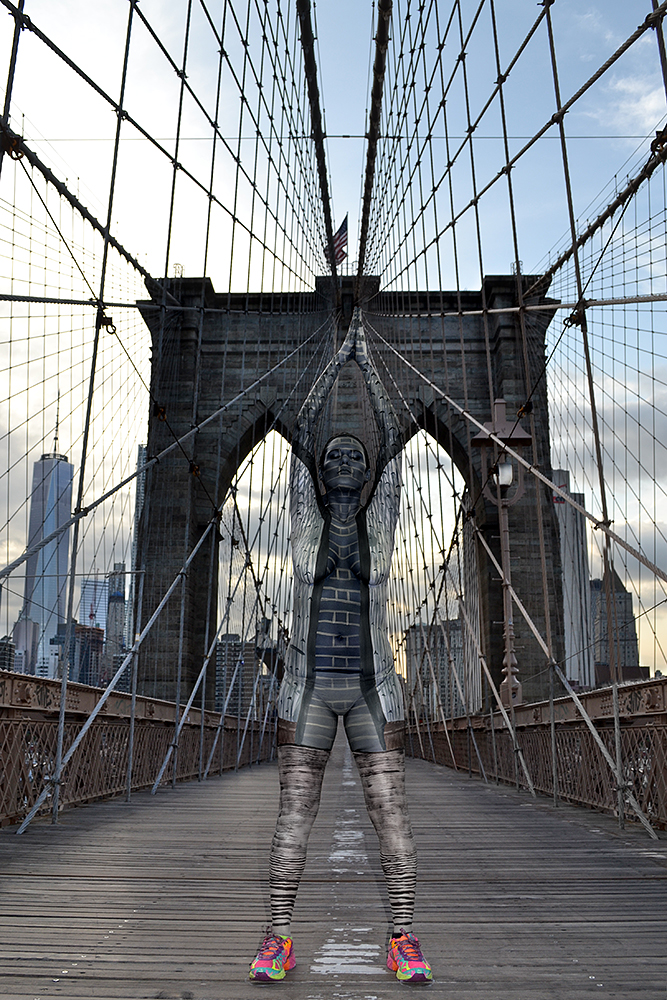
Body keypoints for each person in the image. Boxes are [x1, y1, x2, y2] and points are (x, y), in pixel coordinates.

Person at [249, 311, 432, 985]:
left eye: (355, 456)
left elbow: (393, 437)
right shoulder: (306, 521)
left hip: (371, 688)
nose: (347, 458)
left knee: (391, 816)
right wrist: (335, 357)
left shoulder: (379, 518)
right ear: (321, 477)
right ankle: (277, 938)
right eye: (335, 458)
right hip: (303, 688)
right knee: (293, 817)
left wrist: (369, 364)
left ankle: (403, 938)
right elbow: (297, 432)